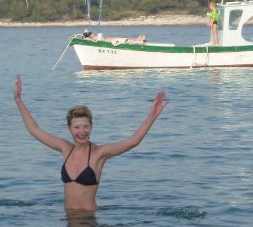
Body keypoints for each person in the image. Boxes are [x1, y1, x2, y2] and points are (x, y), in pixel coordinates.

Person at [14, 74, 167, 211]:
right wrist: (18, 100)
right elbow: (35, 130)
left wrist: (152, 116)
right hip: (68, 221)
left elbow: (133, 141)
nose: (82, 131)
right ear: (69, 129)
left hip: (89, 224)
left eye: (85, 126)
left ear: (91, 127)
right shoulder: (65, 149)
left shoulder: (99, 154)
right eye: (77, 127)